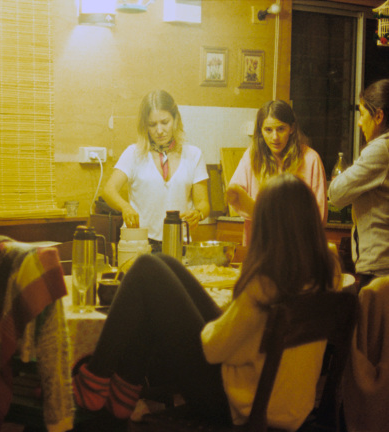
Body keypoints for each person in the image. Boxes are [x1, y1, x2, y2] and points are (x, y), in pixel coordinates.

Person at [73, 173, 340, 432]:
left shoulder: (265, 283)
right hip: (287, 403)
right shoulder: (327, 272)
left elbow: (213, 349)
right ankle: (124, 387)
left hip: (235, 404)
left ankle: (95, 377)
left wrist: (208, 323)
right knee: (163, 263)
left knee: (145, 268)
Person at [102, 90, 210, 253]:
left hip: (178, 243)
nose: (159, 130)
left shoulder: (194, 155)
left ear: (175, 119)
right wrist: (125, 207)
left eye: (165, 122)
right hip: (139, 243)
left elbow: (203, 203)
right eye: (152, 125)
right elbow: (109, 190)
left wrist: (198, 214)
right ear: (145, 126)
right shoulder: (134, 153)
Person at [226, 100, 327, 246]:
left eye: (281, 129)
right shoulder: (252, 156)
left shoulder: (310, 159)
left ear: (292, 128)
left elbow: (318, 215)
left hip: (297, 246)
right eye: (268, 130)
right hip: (260, 245)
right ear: (260, 130)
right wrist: (243, 201)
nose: (275, 137)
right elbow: (235, 197)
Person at [329, 79, 389, 289]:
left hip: (379, 265)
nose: (359, 123)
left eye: (362, 114)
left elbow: (336, 193)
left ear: (379, 116)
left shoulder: (380, 150)